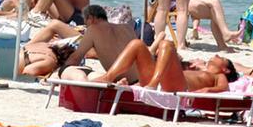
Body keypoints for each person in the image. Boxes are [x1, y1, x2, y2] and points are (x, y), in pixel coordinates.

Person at [90, 35, 238, 93]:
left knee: (166, 44)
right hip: (162, 81)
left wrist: (204, 91)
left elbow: (223, 88)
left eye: (221, 58)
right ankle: (108, 77)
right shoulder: (198, 67)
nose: (217, 55)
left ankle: (153, 84)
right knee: (137, 44)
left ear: (225, 69)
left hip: (177, 88)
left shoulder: (218, 76)